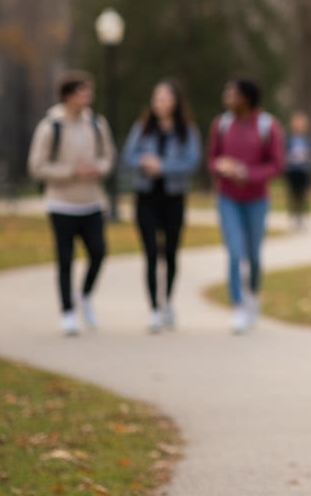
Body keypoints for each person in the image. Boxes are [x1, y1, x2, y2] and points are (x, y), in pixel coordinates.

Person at [27, 70, 118, 336]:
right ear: (69, 96)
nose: (88, 97)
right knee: (65, 259)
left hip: (92, 202)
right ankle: (67, 312)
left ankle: (85, 295)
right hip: (61, 204)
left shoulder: (97, 125)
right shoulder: (50, 127)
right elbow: (36, 166)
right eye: (83, 92)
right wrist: (71, 172)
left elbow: (108, 158)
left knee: (99, 252)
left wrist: (97, 169)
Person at [121, 80, 203, 333]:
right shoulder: (143, 127)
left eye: (166, 98)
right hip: (146, 196)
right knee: (149, 253)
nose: (161, 103)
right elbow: (128, 156)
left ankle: (167, 302)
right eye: (157, 98)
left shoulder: (186, 130)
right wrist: (144, 162)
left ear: (175, 101)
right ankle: (154, 309)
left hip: (173, 197)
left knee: (170, 253)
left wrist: (164, 166)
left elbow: (192, 162)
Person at [207, 77, 285, 334]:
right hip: (228, 198)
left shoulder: (267, 126)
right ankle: (238, 306)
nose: (227, 97)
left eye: (232, 93)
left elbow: (276, 164)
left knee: (253, 255)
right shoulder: (221, 124)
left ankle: (252, 295)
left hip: (256, 200)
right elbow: (212, 159)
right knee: (234, 252)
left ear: (246, 98)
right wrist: (220, 166)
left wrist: (247, 174)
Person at [285, 110, 311, 229]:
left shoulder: (308, 139)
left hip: (304, 170)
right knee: (293, 194)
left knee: (303, 194)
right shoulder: (289, 139)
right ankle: (293, 215)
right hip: (292, 170)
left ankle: (302, 216)